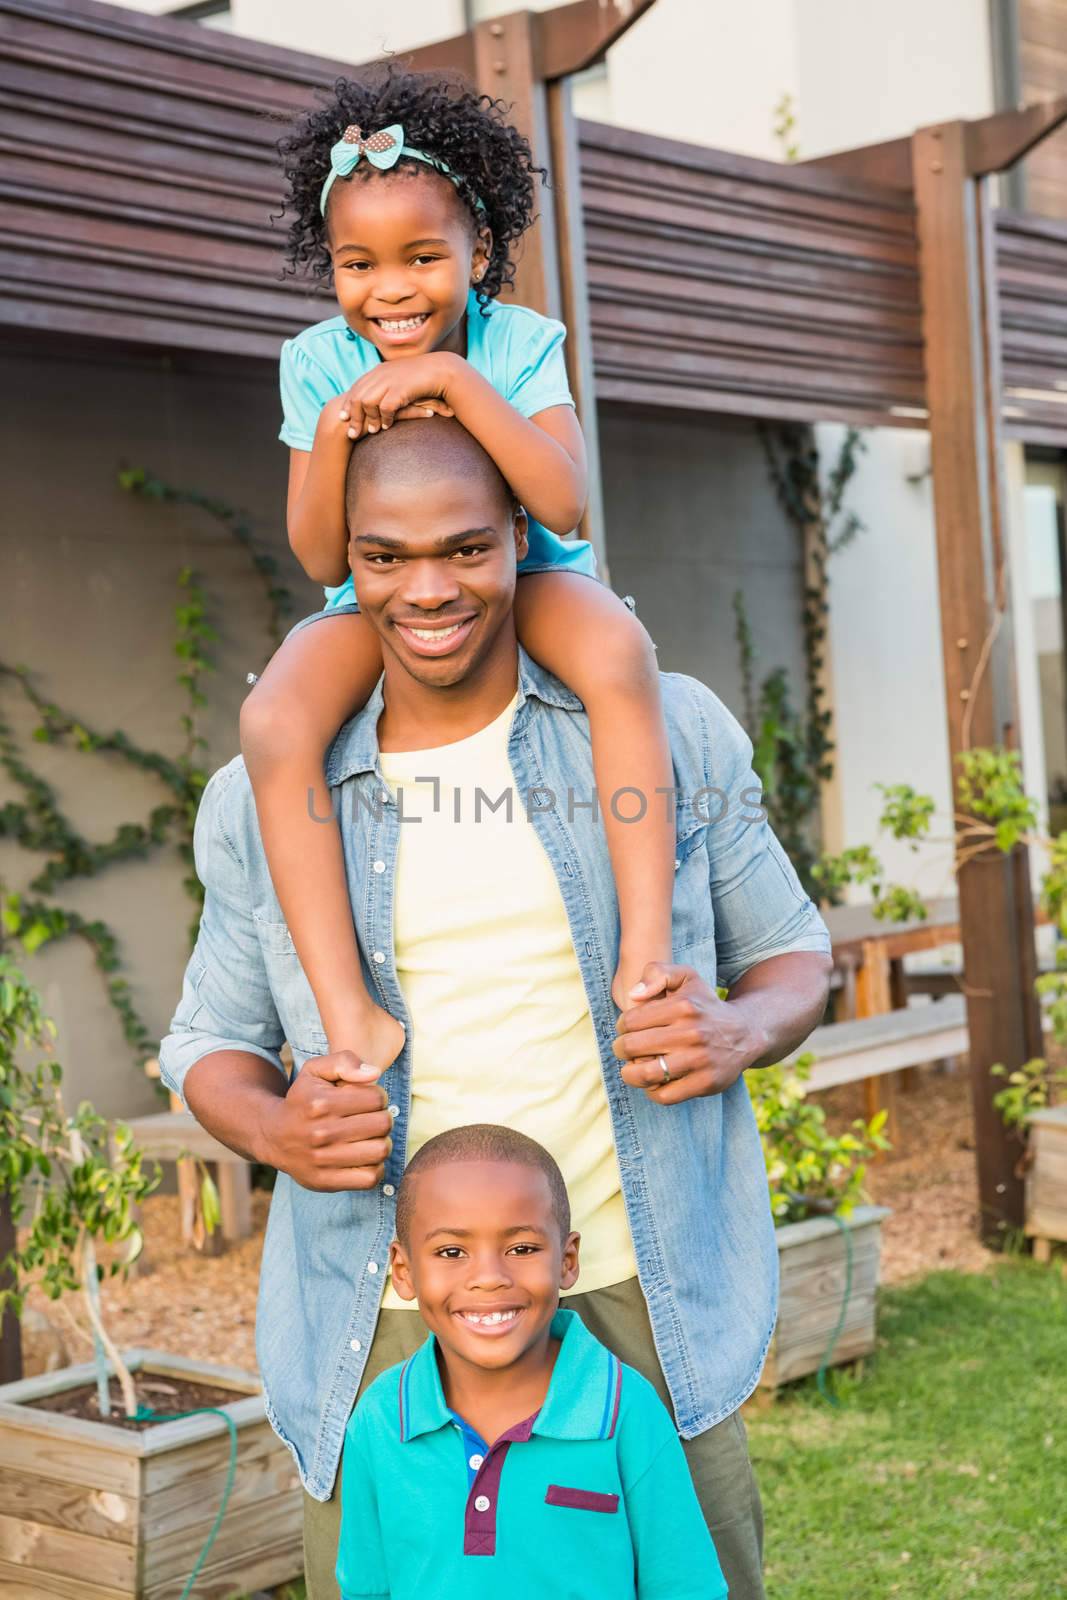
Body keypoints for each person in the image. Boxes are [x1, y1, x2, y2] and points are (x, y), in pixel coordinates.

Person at [159, 417, 833, 1600]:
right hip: (385, 1305)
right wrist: (273, 1130)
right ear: (346, 563)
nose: (428, 591)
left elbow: (791, 957)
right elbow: (209, 1041)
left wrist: (733, 1030)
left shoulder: (661, 728)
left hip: (636, 1280)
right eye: (384, 556)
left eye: (467, 548)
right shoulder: (264, 791)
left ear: (521, 535)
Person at [240, 65, 675, 1079]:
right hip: (379, 598)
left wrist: (451, 381)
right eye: (357, 264)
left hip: (530, 573)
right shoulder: (314, 363)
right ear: (330, 267)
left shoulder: (517, 341)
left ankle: (644, 949)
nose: (389, 290)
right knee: (272, 722)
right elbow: (316, 554)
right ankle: (349, 1009)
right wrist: (342, 430)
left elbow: (562, 501)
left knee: (617, 651)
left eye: (422, 257)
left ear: (477, 251)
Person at [336, 1124, 728, 1600]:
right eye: (451, 1251)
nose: (489, 1277)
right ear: (404, 1271)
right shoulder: (379, 1421)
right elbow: (367, 1589)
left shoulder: (625, 1410)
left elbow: (685, 1587)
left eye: (521, 1248)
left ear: (566, 1260)